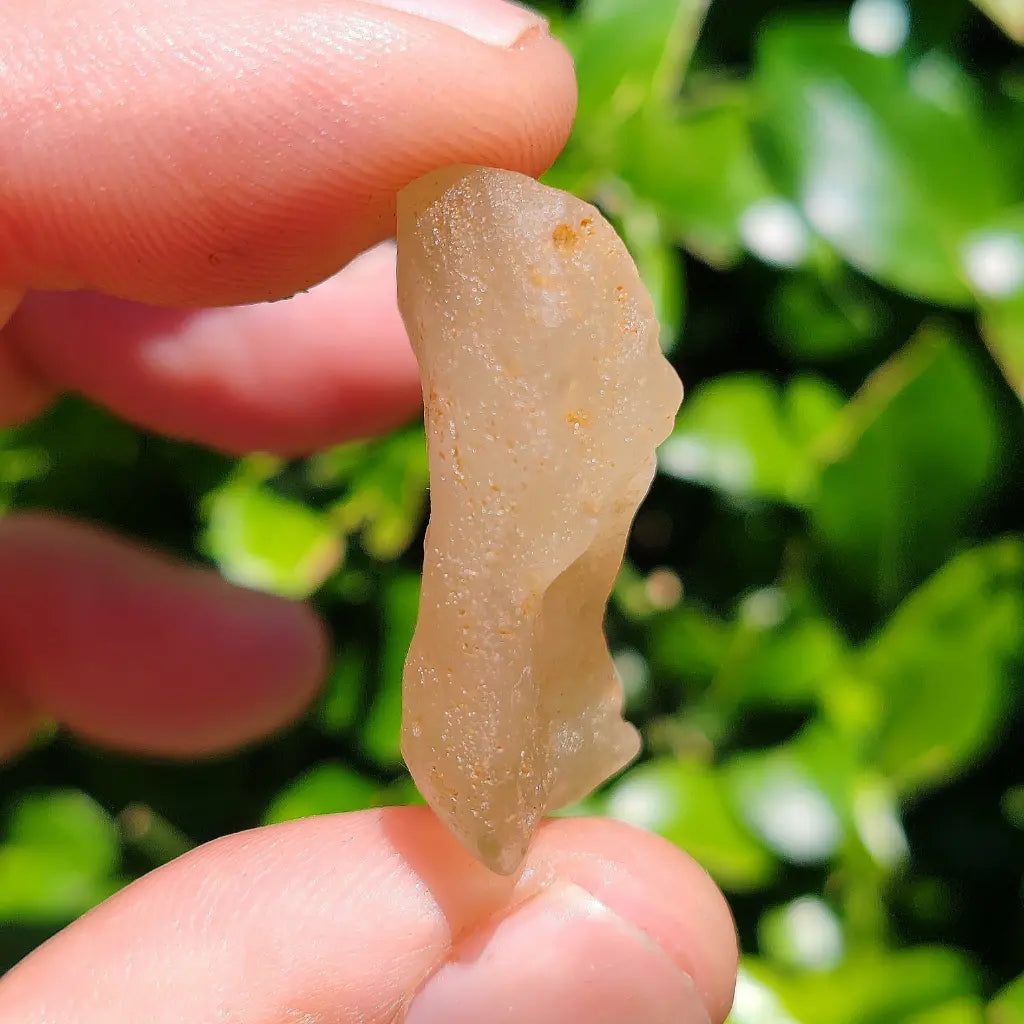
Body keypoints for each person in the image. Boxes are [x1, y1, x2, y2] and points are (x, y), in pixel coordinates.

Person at [0, 1, 738, 1019]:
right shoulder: (506, 265)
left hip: (513, 719)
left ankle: (548, 730)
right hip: (495, 732)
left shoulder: (530, 284)